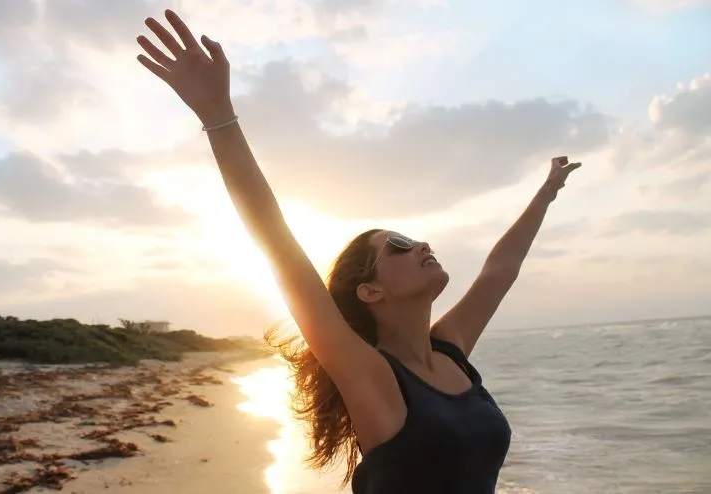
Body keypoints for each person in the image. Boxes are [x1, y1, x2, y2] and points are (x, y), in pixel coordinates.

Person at [136, 10, 581, 494]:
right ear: (370, 290)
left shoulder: (450, 352)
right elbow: (278, 245)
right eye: (399, 247)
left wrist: (546, 193)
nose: (421, 245)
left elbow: (500, 271)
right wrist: (217, 114)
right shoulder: (371, 374)